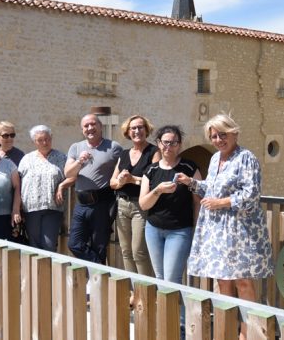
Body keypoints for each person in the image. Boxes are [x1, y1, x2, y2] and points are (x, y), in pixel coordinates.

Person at [178, 114, 272, 339]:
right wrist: (191, 183)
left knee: (243, 280)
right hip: (218, 230)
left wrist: (221, 202)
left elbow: (251, 194)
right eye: (214, 136)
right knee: (223, 280)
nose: (219, 139)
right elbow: (210, 188)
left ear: (234, 133)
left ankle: (249, 333)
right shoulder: (214, 159)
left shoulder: (246, 158)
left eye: (223, 134)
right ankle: (228, 330)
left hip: (240, 228)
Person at [139, 125, 200, 284]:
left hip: (179, 231)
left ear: (179, 145)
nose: (169, 146)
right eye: (165, 142)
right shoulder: (151, 170)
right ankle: (164, 310)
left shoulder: (189, 168)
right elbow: (144, 204)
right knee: (160, 278)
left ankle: (178, 310)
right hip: (153, 230)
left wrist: (197, 229)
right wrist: (158, 190)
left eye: (173, 143)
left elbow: (198, 199)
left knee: (172, 280)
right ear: (159, 143)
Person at [65, 113, 125, 264]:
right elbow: (68, 173)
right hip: (81, 205)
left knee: (99, 246)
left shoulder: (114, 147)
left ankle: (98, 280)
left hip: (102, 205)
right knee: (74, 244)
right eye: (86, 126)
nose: (90, 128)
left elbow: (124, 169)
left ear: (100, 127)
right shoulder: (76, 147)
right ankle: (98, 267)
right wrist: (80, 161)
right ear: (82, 129)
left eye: (93, 124)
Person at [109, 115, 157, 277]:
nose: (137, 131)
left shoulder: (153, 152)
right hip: (122, 205)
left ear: (146, 129)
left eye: (140, 127)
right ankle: (133, 291)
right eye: (133, 128)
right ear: (128, 132)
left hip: (140, 206)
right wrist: (122, 182)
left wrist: (132, 180)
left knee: (139, 252)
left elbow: (155, 182)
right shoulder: (123, 154)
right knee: (126, 251)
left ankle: (145, 292)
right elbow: (112, 183)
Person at [17, 125, 67, 252]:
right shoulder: (27, 159)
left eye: (47, 139)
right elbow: (18, 181)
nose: (45, 142)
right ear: (34, 142)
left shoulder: (61, 158)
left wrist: (61, 186)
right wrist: (17, 207)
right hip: (31, 208)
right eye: (40, 140)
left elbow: (71, 176)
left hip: (53, 207)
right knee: (34, 245)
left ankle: (50, 271)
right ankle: (35, 272)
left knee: (49, 245)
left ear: (51, 138)